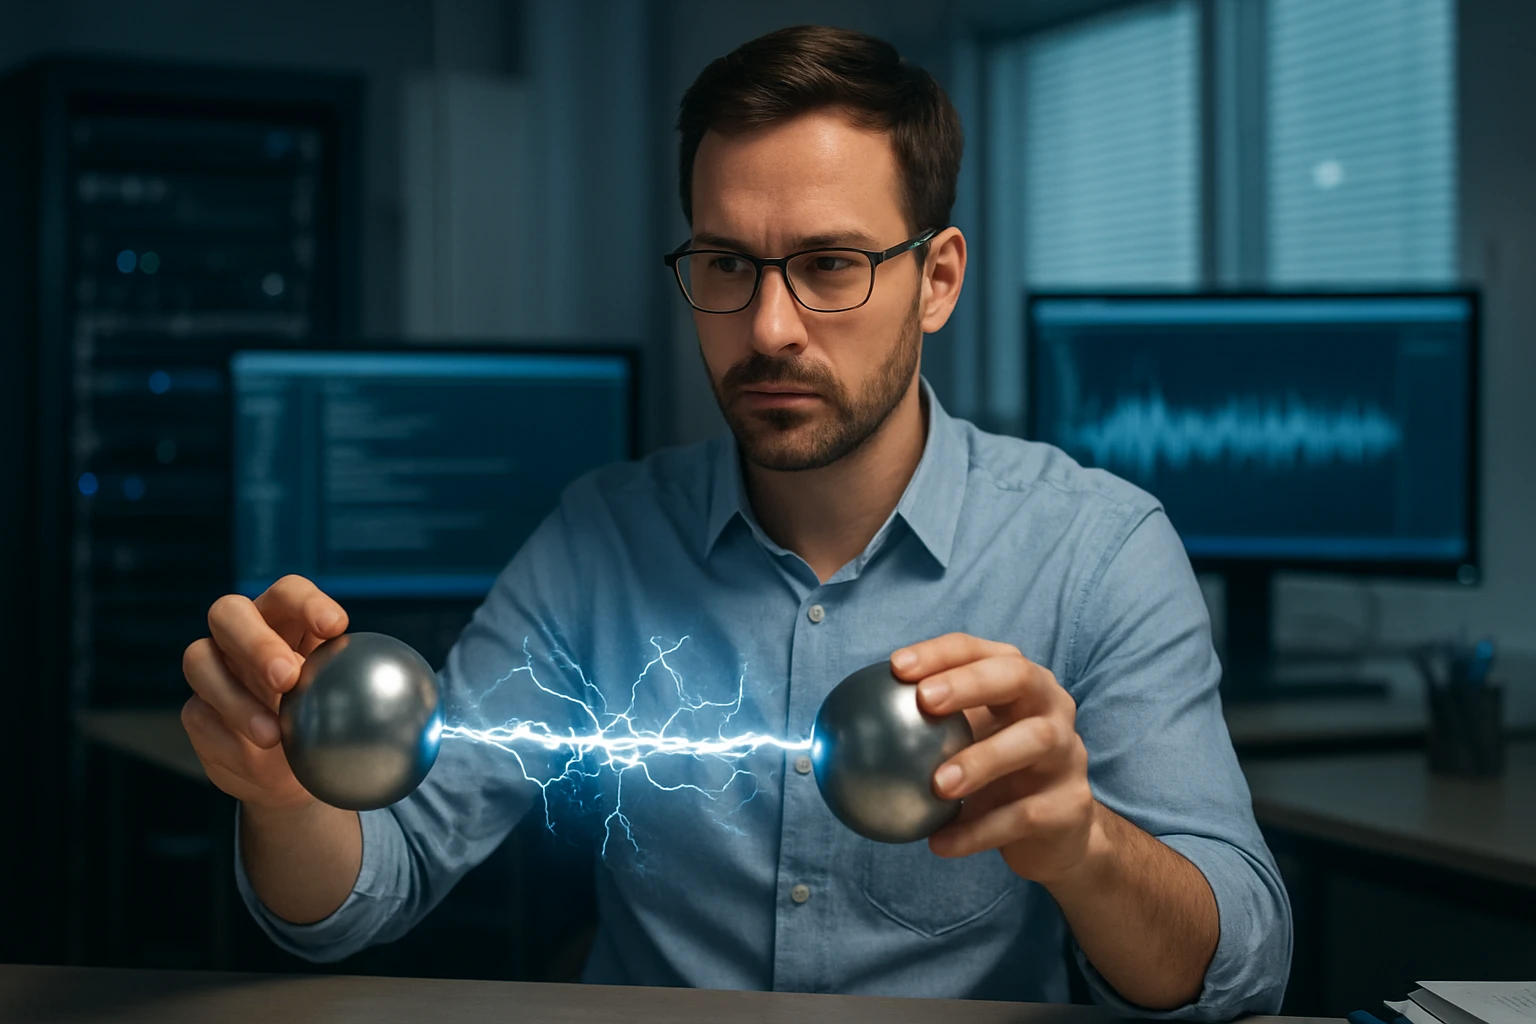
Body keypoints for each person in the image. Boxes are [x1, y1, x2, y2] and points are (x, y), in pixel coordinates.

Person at [180, 24, 1290, 1016]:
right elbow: (367, 888)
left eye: (829, 266)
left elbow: (1240, 966)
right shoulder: (599, 542)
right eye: (726, 265)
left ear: (937, 279)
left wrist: (1084, 845)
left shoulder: (1094, 552)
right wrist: (281, 791)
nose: (768, 328)